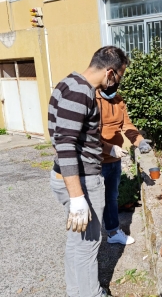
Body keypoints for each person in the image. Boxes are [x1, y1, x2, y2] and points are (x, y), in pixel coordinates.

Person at [48, 46, 129, 297]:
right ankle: (91, 294)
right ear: (110, 73)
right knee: (89, 245)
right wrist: (77, 197)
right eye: (120, 76)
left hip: (69, 176)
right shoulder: (81, 92)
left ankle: (76, 291)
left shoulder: (68, 83)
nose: (117, 82)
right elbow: (65, 144)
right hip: (80, 181)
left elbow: (79, 135)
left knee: (77, 241)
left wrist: (108, 148)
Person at [96, 88, 152, 245]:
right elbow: (89, 136)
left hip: (115, 158)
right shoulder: (91, 100)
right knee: (94, 199)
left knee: (111, 197)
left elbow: (126, 125)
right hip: (97, 160)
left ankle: (113, 231)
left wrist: (139, 141)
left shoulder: (118, 100)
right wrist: (108, 149)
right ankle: (89, 237)